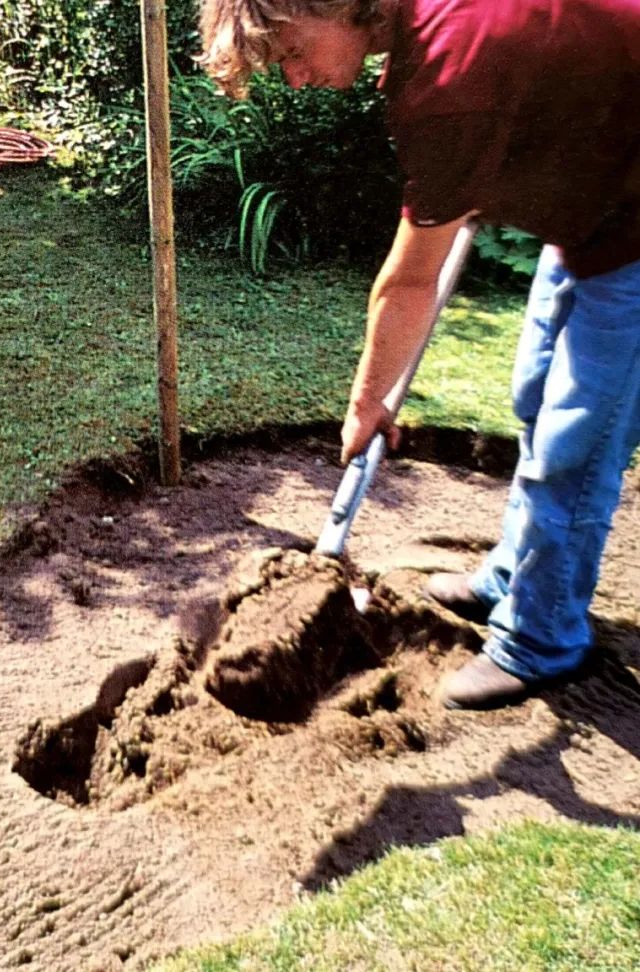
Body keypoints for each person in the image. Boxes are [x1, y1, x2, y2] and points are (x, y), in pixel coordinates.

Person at [198, 0, 640, 709]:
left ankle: (542, 639)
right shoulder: (427, 35)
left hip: (631, 228)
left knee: (576, 443)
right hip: (597, 212)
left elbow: (408, 283)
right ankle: (513, 575)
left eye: (292, 52)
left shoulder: (450, 74)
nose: (295, 78)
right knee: (535, 392)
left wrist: (367, 401)